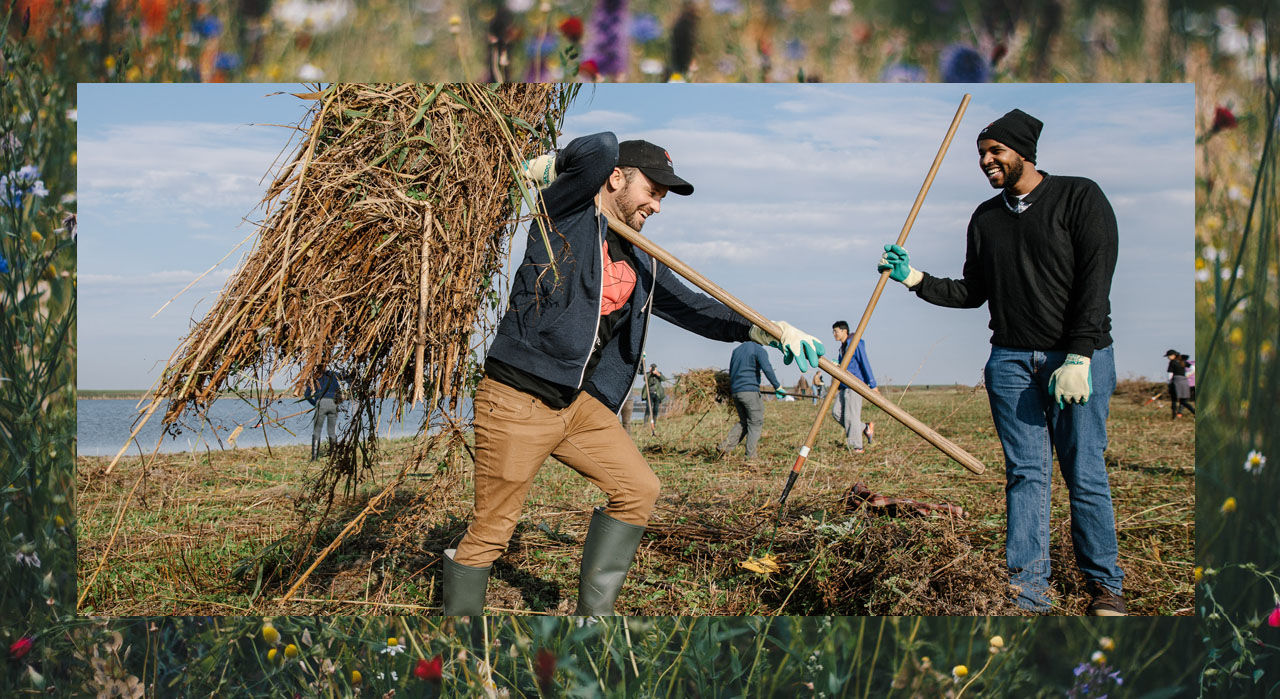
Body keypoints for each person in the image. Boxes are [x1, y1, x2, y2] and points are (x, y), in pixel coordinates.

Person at [441, 132, 825, 616]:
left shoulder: (643, 257)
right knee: (493, 531)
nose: (657, 206)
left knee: (638, 490)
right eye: (652, 191)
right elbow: (602, 148)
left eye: (663, 198)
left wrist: (766, 330)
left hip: (578, 405)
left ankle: (592, 623)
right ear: (616, 179)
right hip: (518, 397)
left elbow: (698, 309)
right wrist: (551, 167)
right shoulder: (565, 213)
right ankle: (459, 644)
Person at [876, 108, 1126, 616]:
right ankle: (1028, 593)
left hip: (1076, 357)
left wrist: (1079, 354)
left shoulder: (1079, 197)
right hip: (1011, 361)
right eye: (981, 153)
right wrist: (915, 279)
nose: (986, 160)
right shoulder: (986, 218)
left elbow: (1096, 280)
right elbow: (973, 291)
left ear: (1024, 152)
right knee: (1026, 475)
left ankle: (1106, 587)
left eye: (996, 151)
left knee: (1084, 471)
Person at [717, 342, 786, 462]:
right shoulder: (758, 349)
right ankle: (751, 457)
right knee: (755, 422)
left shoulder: (736, 351)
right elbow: (767, 368)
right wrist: (777, 386)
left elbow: (732, 371)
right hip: (750, 391)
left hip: (736, 391)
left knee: (744, 422)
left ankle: (724, 447)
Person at [829, 320, 877, 453]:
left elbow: (864, 362)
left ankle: (857, 447)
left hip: (854, 385)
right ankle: (865, 428)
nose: (834, 334)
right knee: (836, 412)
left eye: (836, 331)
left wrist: (872, 384)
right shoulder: (842, 348)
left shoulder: (855, 343)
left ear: (844, 331)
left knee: (852, 417)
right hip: (844, 386)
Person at [303, 368, 342, 461]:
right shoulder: (333, 375)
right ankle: (333, 457)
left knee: (317, 431)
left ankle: (314, 458)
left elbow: (307, 394)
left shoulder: (315, 377)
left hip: (321, 403)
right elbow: (339, 392)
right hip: (333, 404)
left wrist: (315, 404)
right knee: (332, 432)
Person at [1165, 349, 1195, 419]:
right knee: (1184, 401)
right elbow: (1193, 368)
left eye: (1169, 356)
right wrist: (1187, 374)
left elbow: (1170, 374)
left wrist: (1169, 383)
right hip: (1184, 381)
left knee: (1174, 400)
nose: (1168, 358)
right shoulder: (1182, 361)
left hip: (1176, 381)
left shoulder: (1172, 362)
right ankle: (1194, 412)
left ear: (1173, 355)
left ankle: (1174, 417)